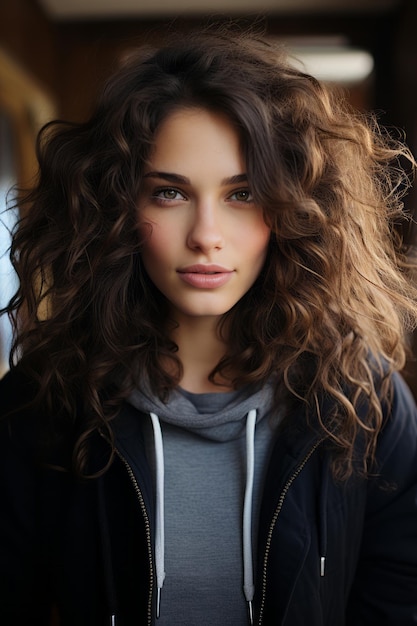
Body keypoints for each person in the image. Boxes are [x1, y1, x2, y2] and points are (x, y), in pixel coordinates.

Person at [1, 27, 417, 626]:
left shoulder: (362, 400)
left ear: (292, 208)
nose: (205, 235)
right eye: (170, 193)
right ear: (118, 208)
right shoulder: (40, 403)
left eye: (242, 193)